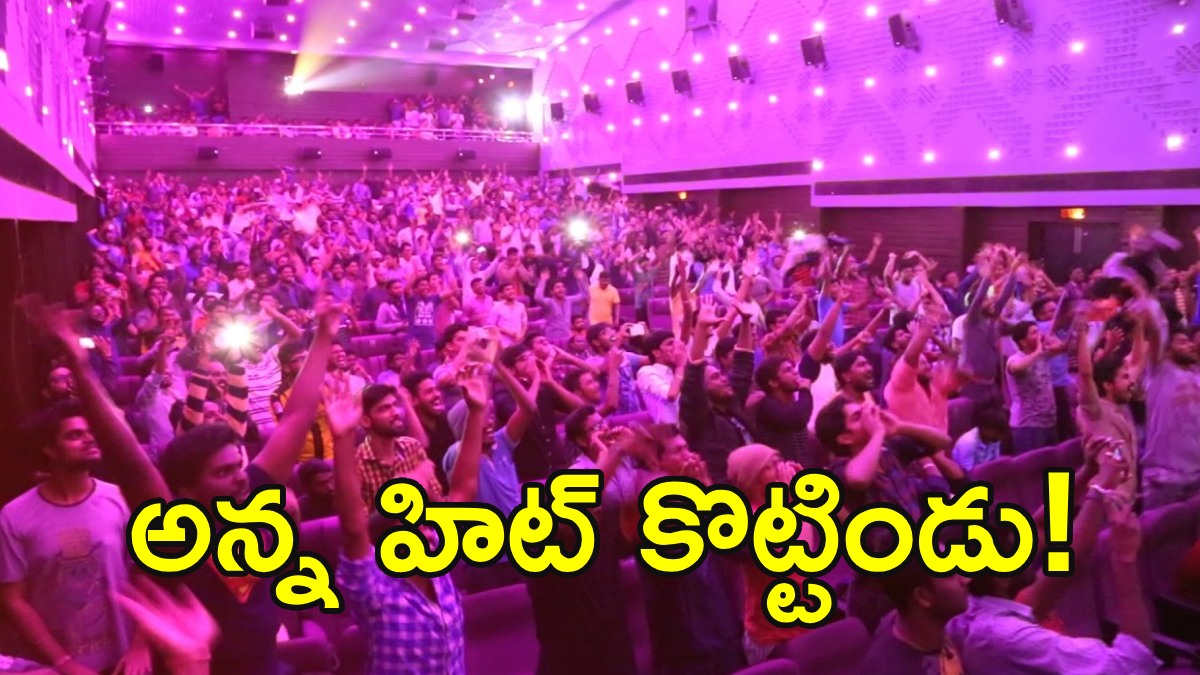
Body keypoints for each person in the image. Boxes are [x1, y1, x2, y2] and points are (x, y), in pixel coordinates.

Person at [158, 294, 342, 675]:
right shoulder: (173, 534)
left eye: (236, 465)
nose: (240, 475)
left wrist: (323, 335)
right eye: (222, 473)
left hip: (268, 663)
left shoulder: (249, 493)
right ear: (187, 489)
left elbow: (297, 416)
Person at [330, 362, 490, 675]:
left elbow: (462, 492)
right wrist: (343, 439)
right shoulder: (376, 589)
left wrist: (476, 411)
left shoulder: (436, 561)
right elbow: (355, 528)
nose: (427, 527)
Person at [0, 401, 148, 675]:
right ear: (49, 449)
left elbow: (145, 575)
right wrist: (64, 663)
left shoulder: (120, 498)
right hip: (56, 663)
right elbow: (14, 599)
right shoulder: (14, 516)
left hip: (125, 659)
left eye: (91, 432)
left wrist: (141, 646)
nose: (89, 439)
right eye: (74, 435)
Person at [680, 297, 756, 482]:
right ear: (703, 388)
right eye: (715, 377)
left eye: (721, 374)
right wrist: (700, 328)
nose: (724, 379)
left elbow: (743, 367)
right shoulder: (700, 419)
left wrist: (745, 322)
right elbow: (693, 380)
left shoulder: (731, 404)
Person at [858, 559, 971, 675]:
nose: (967, 579)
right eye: (950, 575)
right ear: (923, 596)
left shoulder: (933, 634)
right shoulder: (889, 669)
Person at [355, 383, 440, 506]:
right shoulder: (357, 465)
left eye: (395, 405)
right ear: (365, 421)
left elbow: (439, 503)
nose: (395, 412)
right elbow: (359, 517)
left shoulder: (413, 447)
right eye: (384, 409)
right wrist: (405, 488)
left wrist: (424, 486)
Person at [1005, 320, 1061, 453]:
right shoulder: (1015, 359)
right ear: (1023, 342)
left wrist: (1050, 340)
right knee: (1033, 465)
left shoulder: (1043, 355)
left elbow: (1063, 347)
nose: (1039, 335)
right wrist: (1038, 351)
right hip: (1027, 426)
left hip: (1049, 422)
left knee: (1054, 464)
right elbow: (1016, 368)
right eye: (1034, 333)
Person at [753, 355, 814, 466]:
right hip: (781, 472)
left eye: (793, 368)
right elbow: (798, 419)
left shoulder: (794, 405)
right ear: (773, 382)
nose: (795, 372)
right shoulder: (767, 406)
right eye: (788, 370)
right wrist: (805, 390)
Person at [636, 331, 686, 425]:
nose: (676, 348)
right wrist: (680, 367)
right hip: (670, 431)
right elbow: (671, 395)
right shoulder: (646, 372)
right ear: (657, 353)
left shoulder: (676, 371)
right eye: (670, 344)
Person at [950, 406, 1009, 471]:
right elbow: (967, 473)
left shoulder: (995, 438)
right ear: (985, 428)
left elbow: (996, 463)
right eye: (998, 433)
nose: (1001, 437)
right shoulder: (968, 442)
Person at [488, 282, 528, 347]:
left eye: (512, 289)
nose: (511, 291)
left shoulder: (521, 306)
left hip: (518, 342)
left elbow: (524, 324)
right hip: (503, 343)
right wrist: (508, 332)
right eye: (507, 290)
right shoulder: (496, 306)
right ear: (502, 294)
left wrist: (521, 336)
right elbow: (490, 326)